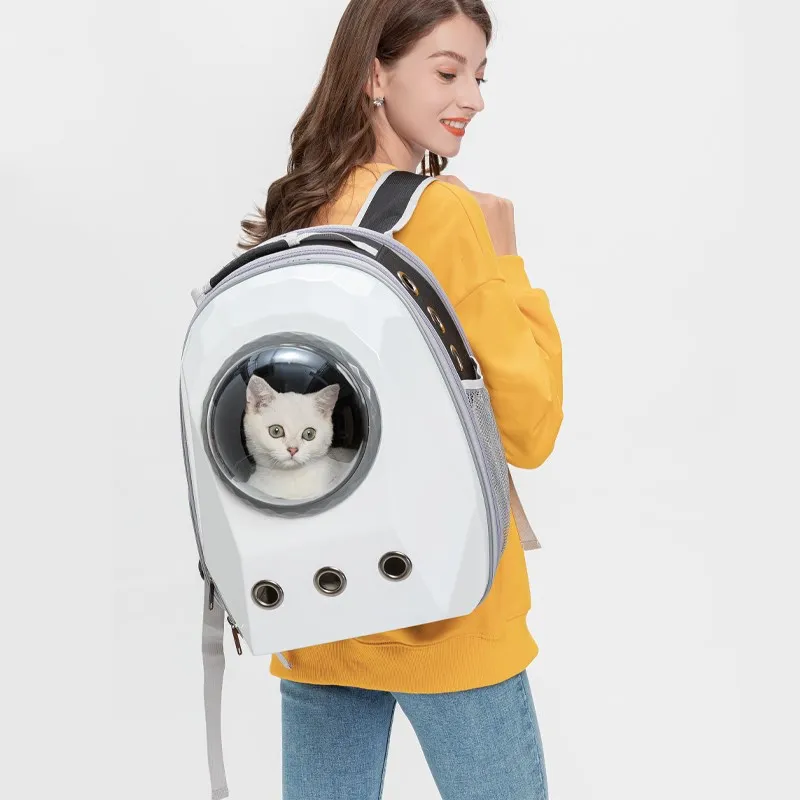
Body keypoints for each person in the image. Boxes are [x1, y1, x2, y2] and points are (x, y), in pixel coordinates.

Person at [235, 1, 564, 797]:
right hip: (445, 607)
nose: (472, 98)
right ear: (374, 75)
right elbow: (530, 428)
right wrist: (505, 259)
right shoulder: (444, 213)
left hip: (319, 600)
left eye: (478, 76)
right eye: (448, 72)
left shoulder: (297, 209)